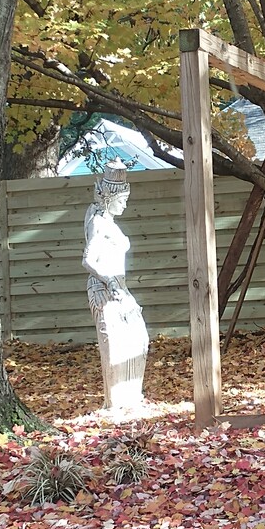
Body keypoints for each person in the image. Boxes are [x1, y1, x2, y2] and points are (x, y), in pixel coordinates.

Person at [82, 159, 148, 409]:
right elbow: (87, 259)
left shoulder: (107, 221)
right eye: (123, 200)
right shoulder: (98, 222)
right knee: (115, 346)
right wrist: (108, 281)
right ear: (110, 198)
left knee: (139, 338)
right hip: (105, 288)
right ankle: (116, 401)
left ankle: (130, 396)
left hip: (120, 287)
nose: (125, 205)